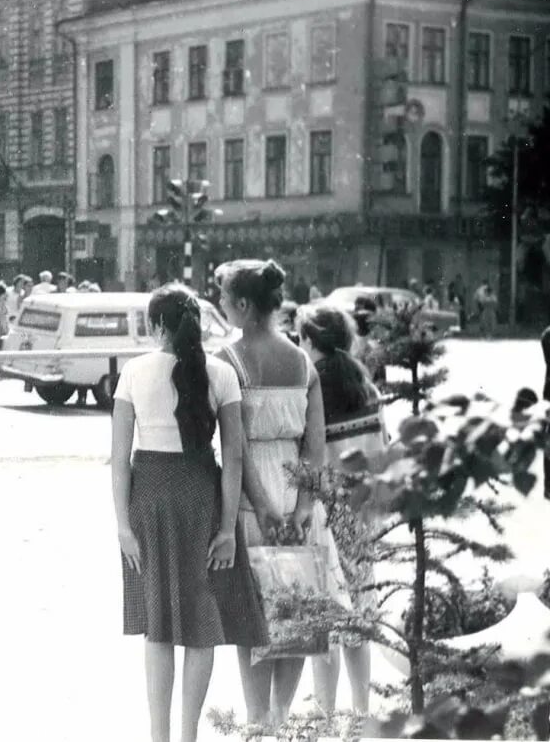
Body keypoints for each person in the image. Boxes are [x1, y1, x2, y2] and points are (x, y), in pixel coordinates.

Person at [114, 283, 267, 742]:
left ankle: (158, 737)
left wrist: (122, 526)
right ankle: (188, 736)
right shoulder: (221, 374)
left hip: (151, 497)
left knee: (157, 623)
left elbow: (120, 457)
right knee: (202, 623)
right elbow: (234, 457)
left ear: (157, 325)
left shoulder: (134, 372)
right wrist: (226, 529)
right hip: (204, 495)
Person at [214, 259, 346, 729]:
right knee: (297, 612)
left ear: (243, 305)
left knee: (255, 618)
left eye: (225, 300)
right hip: (298, 499)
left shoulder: (226, 362)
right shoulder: (302, 362)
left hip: (254, 500)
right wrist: (304, 508)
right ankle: (280, 716)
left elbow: (236, 449)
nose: (222, 307)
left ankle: (256, 719)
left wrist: (265, 509)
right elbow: (316, 446)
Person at [296, 305, 385, 718]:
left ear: (311, 341)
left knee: (325, 616)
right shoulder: (367, 387)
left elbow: (309, 459)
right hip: (365, 517)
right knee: (360, 614)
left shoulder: (313, 387)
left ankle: (326, 709)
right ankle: (362, 708)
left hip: (325, 518)